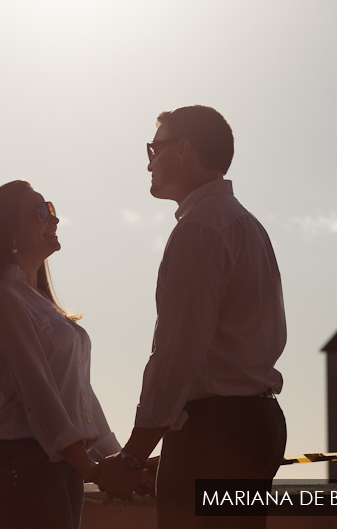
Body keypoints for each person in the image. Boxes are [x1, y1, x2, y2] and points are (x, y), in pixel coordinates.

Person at [93, 106, 288, 528]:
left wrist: (132, 455)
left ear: (183, 149)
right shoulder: (247, 225)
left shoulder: (200, 229)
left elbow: (179, 355)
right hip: (255, 423)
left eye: (155, 148)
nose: (149, 161)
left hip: (216, 433)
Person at [0, 180, 120, 529]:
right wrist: (92, 467)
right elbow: (39, 393)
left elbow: (77, 392)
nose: (54, 218)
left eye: (51, 208)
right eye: (40, 212)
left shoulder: (42, 305)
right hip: (25, 467)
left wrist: (117, 458)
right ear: (9, 233)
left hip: (61, 465)